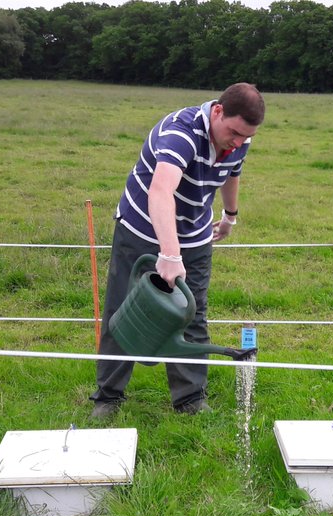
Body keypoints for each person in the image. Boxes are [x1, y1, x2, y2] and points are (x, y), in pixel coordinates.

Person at [90, 83, 265, 418]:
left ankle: (190, 399)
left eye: (246, 136)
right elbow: (160, 191)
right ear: (217, 111)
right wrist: (169, 255)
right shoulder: (180, 133)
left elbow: (232, 173)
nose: (239, 141)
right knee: (123, 310)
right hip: (142, 228)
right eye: (234, 132)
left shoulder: (240, 138)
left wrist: (230, 216)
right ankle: (107, 398)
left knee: (192, 314)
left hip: (195, 234)